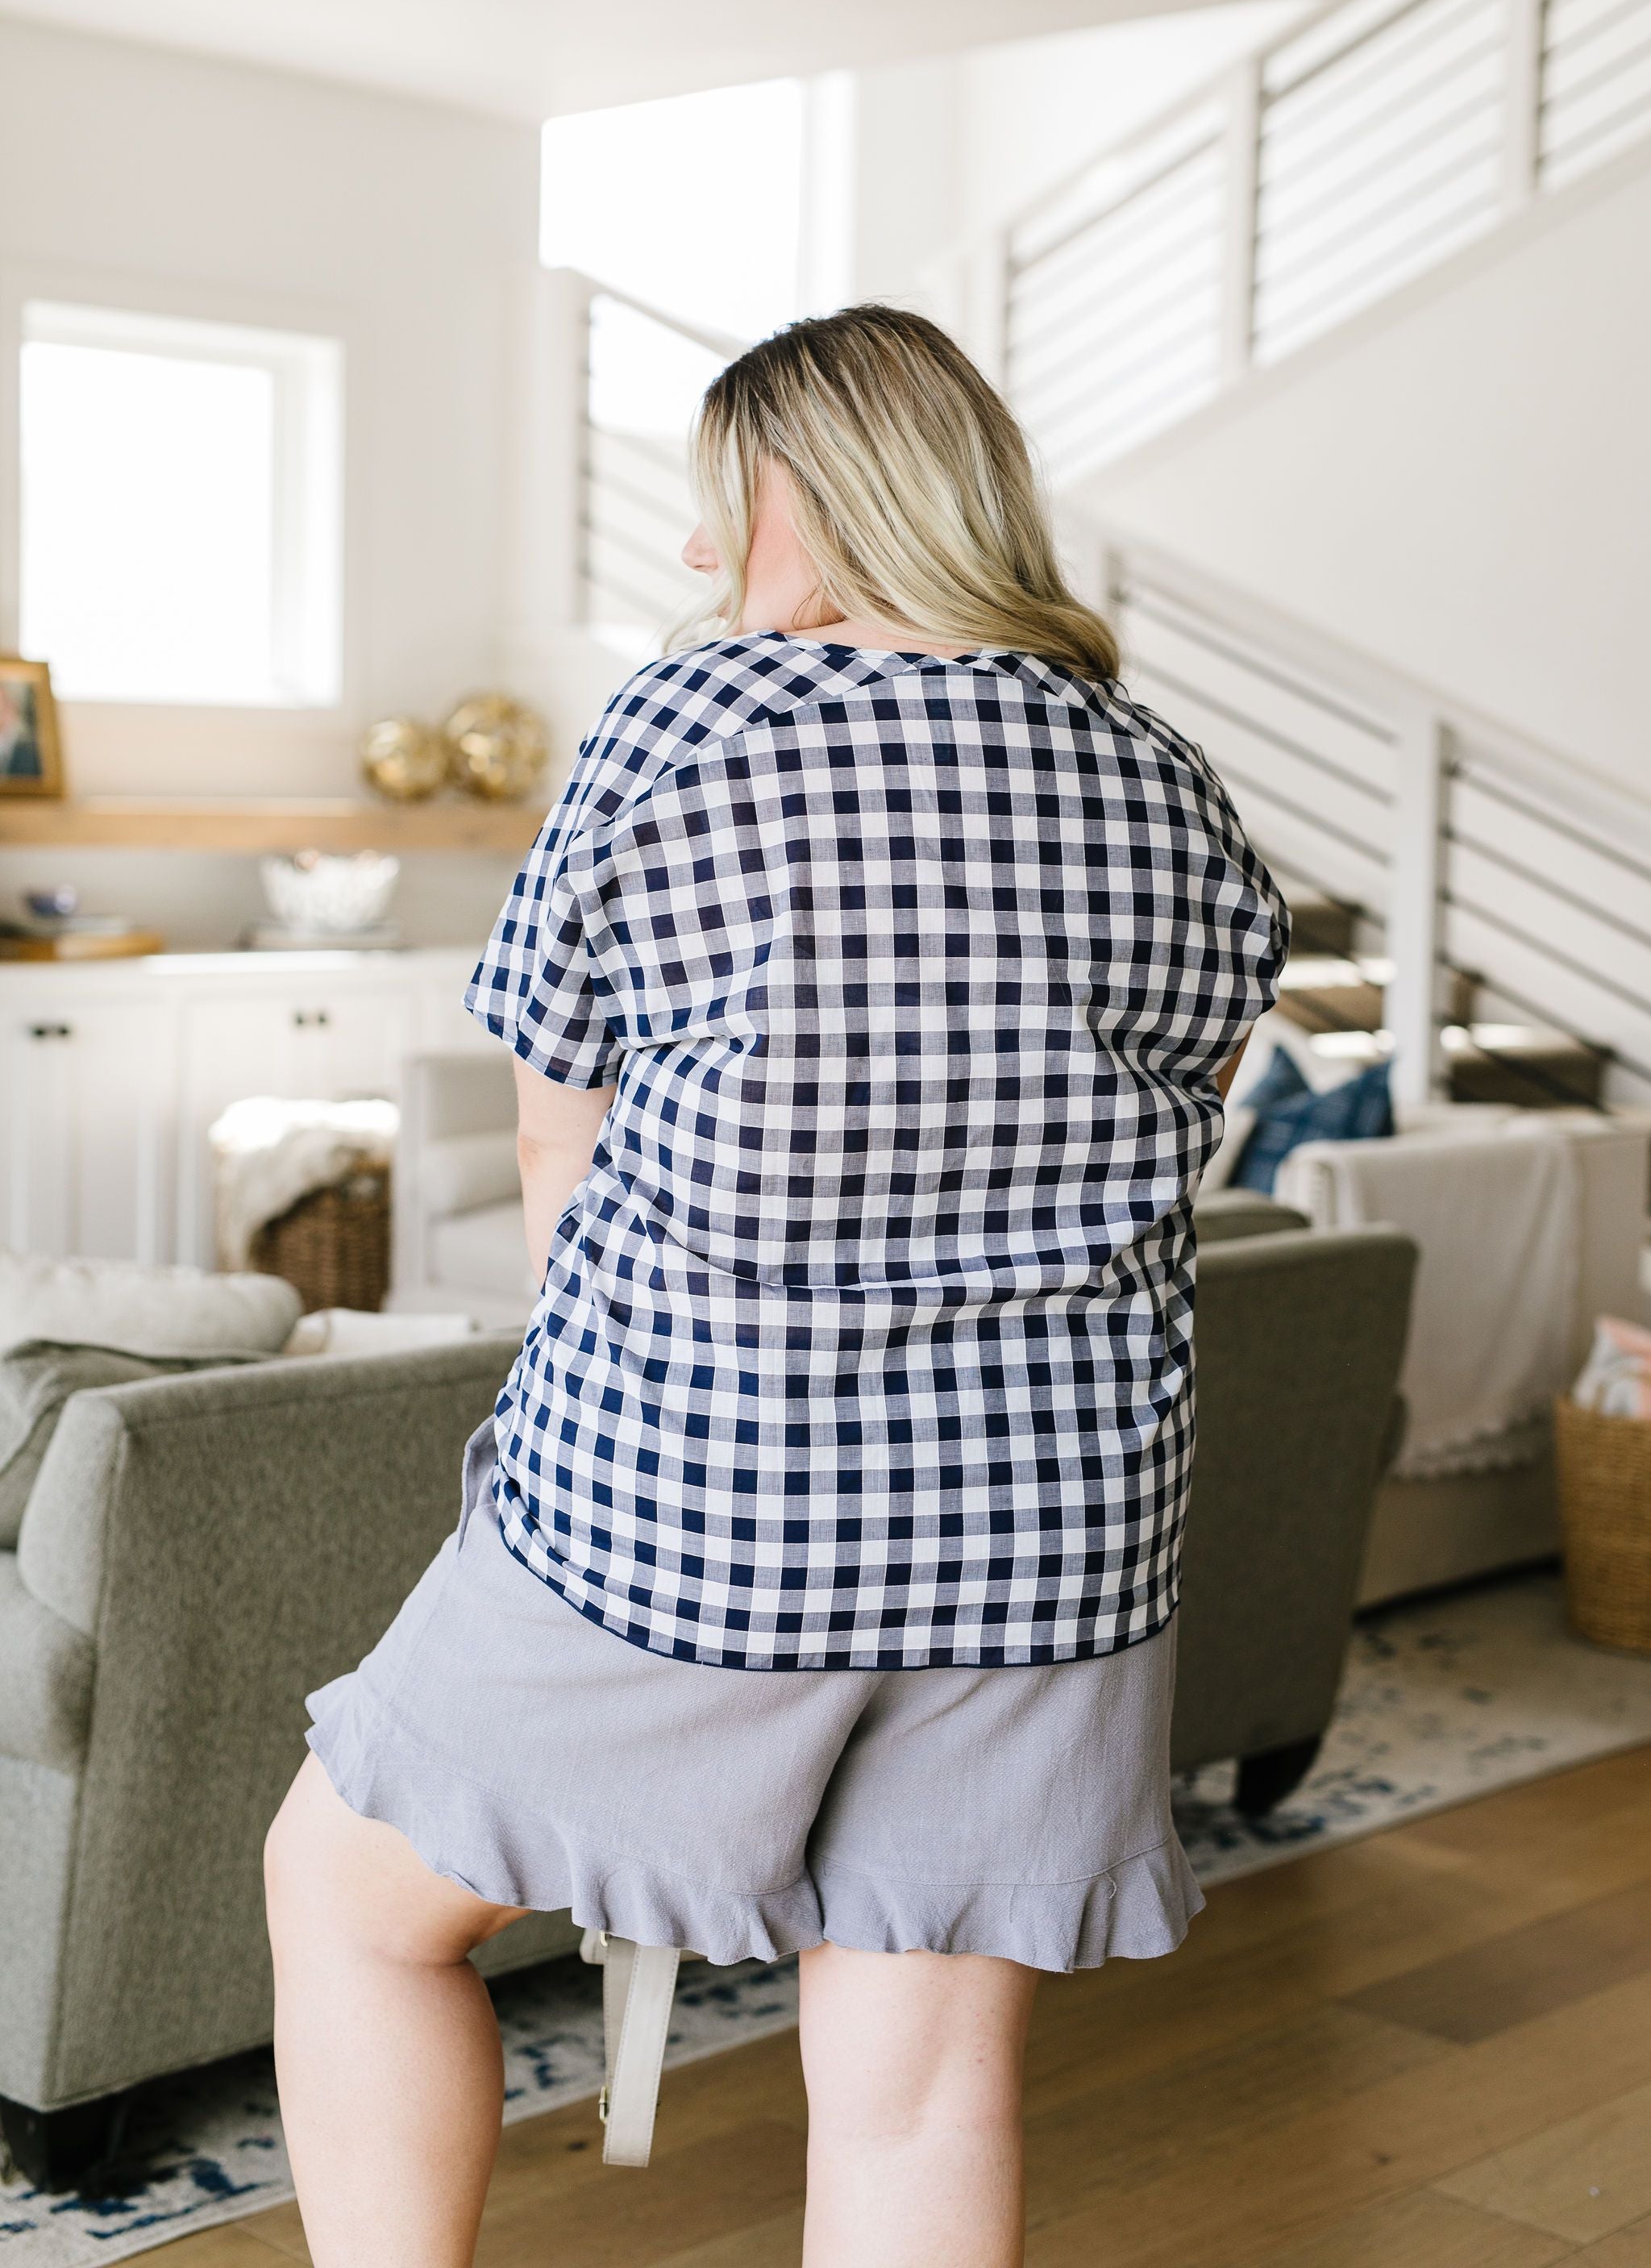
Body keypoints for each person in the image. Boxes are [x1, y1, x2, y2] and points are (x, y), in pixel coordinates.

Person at [265, 303, 1287, 2268]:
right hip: (1056, 1537)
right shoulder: (1166, 778)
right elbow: (1169, 1131)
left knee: (346, 1895)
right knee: (923, 2091)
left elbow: (553, 1138)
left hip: (702, 1504)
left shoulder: (694, 722)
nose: (695, 549)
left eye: (722, 502)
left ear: (818, 503)